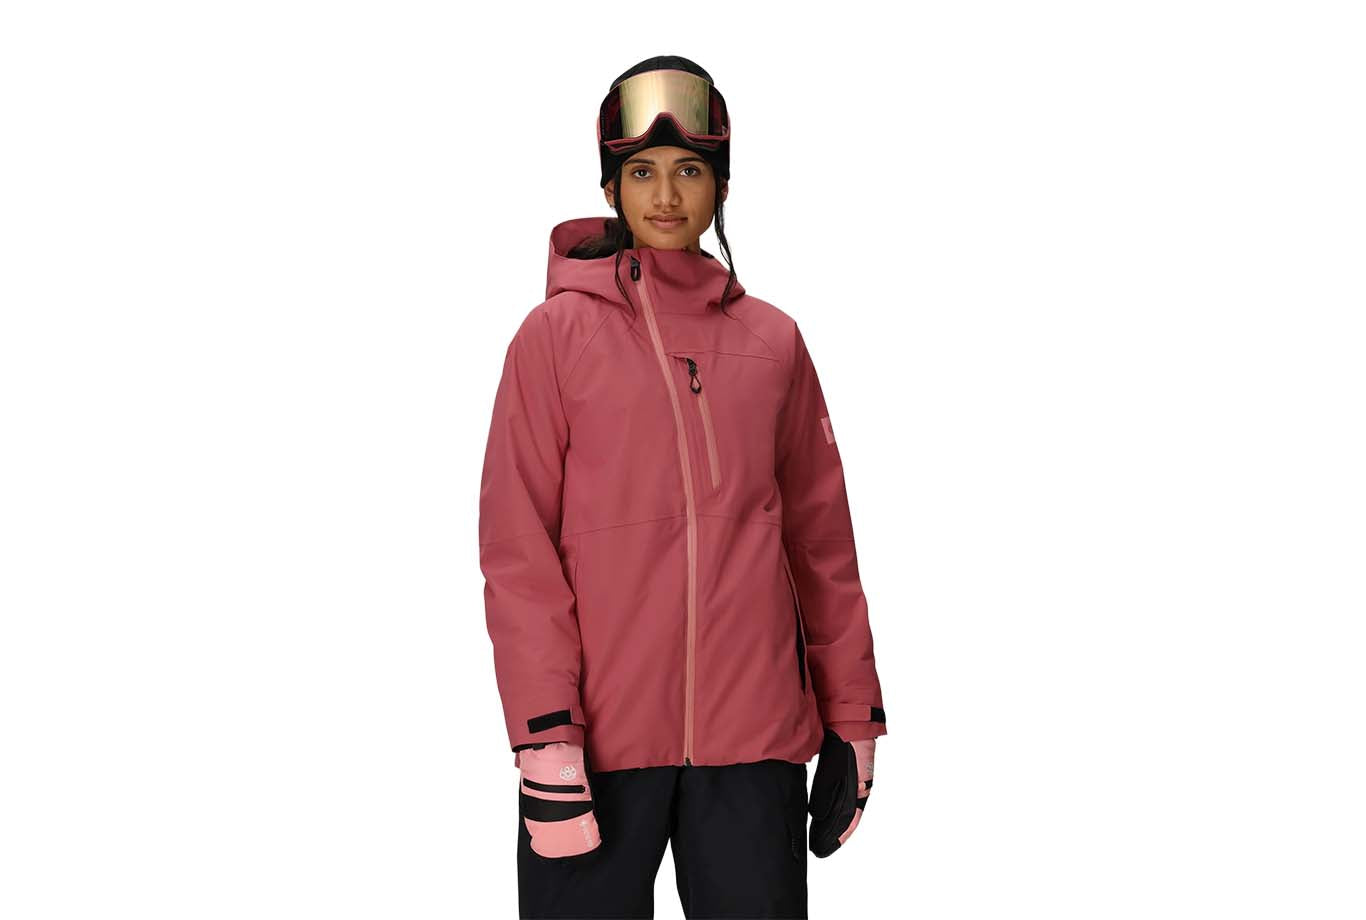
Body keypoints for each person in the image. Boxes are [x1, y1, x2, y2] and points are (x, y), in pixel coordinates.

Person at [478, 55, 887, 919]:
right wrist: (545, 735)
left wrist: (853, 716)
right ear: (610, 187)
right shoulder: (553, 338)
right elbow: (518, 550)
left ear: (722, 185)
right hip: (597, 747)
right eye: (643, 173)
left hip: (754, 743)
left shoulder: (773, 341)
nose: (666, 196)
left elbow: (822, 544)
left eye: (691, 172)